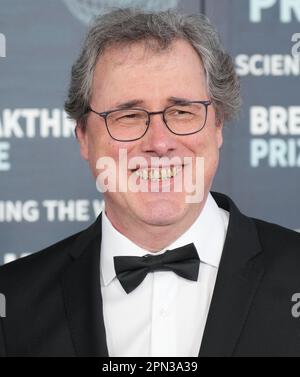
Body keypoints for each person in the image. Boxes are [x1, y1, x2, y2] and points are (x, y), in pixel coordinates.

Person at [0, 8, 300, 358]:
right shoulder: (13, 301)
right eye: (128, 116)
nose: (159, 142)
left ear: (217, 125)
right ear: (83, 136)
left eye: (182, 112)